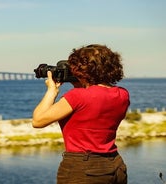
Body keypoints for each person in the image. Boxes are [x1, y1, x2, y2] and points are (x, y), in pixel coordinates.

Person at [32, 44, 130, 184]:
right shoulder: (122, 94)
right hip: (115, 165)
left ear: (82, 69)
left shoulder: (77, 96)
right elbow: (93, 105)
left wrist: (51, 91)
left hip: (83, 168)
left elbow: (38, 120)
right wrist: (80, 83)